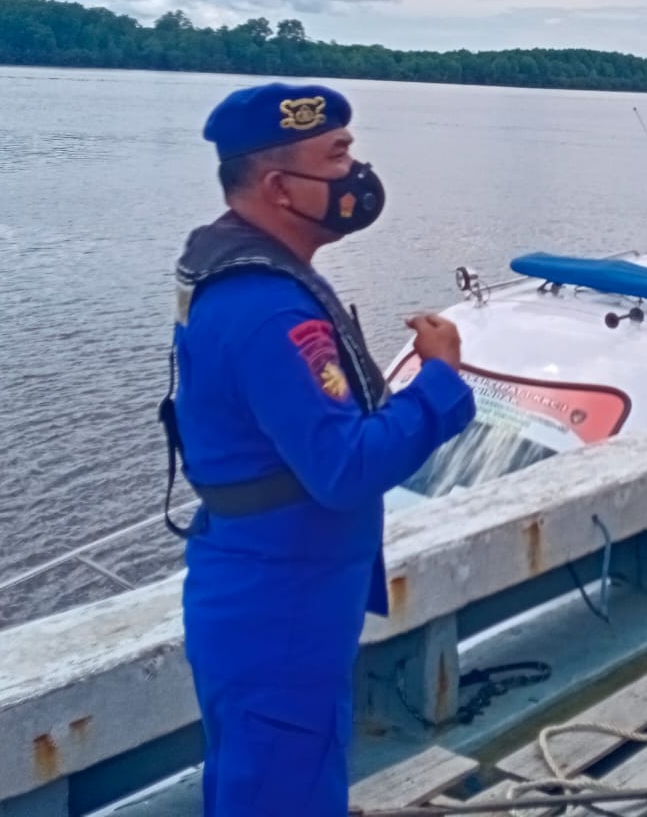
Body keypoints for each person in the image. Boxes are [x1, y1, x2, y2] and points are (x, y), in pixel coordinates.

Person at [163, 82, 476, 816]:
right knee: (280, 785)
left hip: (277, 576)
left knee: (275, 776)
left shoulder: (249, 274)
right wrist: (440, 379)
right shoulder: (268, 307)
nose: (354, 175)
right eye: (337, 157)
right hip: (280, 595)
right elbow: (344, 468)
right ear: (279, 186)